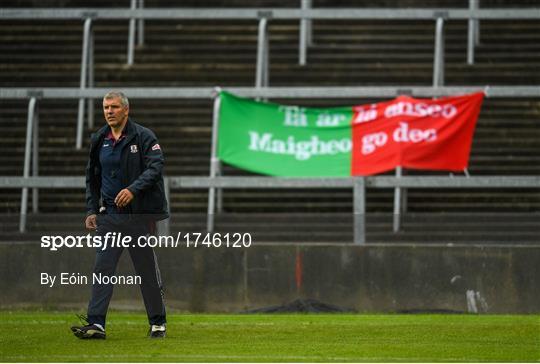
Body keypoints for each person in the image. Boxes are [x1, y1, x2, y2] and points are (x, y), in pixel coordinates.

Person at [71, 91, 168, 339]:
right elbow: (92, 177)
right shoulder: (99, 139)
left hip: (138, 217)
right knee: (102, 269)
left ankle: (157, 323)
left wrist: (133, 190)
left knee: (145, 271)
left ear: (126, 109)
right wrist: (92, 209)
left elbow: (156, 167)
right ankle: (96, 324)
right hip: (109, 217)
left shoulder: (144, 136)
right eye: (105, 107)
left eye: (114, 107)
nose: (109, 111)